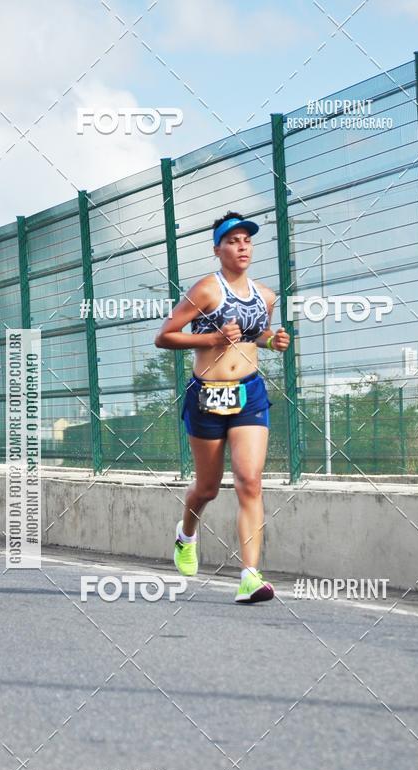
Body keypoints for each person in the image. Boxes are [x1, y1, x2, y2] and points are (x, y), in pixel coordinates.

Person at [155, 211, 290, 603]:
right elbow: (164, 337)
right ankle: (186, 536)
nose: (242, 246)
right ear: (218, 249)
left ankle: (249, 575)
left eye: (247, 239)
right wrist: (211, 339)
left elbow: (254, 335)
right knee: (208, 488)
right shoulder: (206, 291)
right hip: (207, 395)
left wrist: (271, 341)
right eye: (232, 241)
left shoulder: (266, 295)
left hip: (249, 394)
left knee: (250, 481)